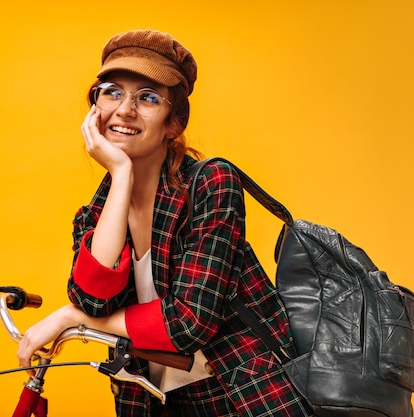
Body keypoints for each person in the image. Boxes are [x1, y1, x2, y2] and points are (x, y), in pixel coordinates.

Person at [17, 29, 313, 417]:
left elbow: (189, 324)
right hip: (151, 401)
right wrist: (121, 175)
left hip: (241, 396)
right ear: (94, 108)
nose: (125, 109)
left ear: (173, 123)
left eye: (149, 98)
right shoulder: (93, 215)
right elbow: (93, 299)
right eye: (112, 91)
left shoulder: (210, 183)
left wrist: (72, 317)